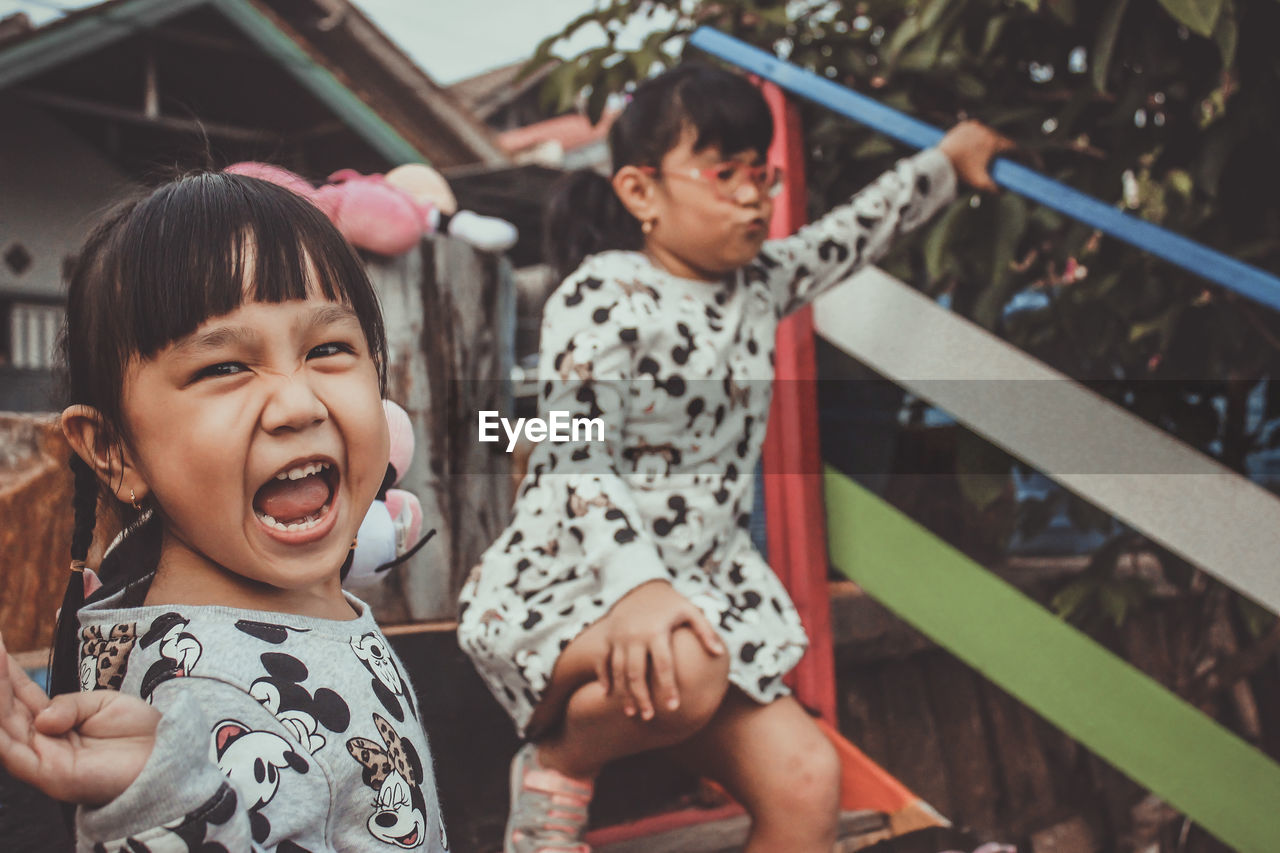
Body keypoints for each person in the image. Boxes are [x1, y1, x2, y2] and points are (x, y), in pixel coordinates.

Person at [456, 64, 1012, 853]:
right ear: (642, 193)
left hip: (702, 598)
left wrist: (945, 164)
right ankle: (557, 762)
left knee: (807, 780)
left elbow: (854, 233)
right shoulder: (604, 294)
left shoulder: (759, 284)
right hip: (583, 584)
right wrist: (639, 587)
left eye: (763, 173)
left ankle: (642, 677)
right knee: (684, 661)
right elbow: (571, 451)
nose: (754, 195)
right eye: (725, 174)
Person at [0, 173, 449, 852]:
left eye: (328, 349)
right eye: (223, 368)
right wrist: (164, 800)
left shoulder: (294, 603)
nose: (298, 404)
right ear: (115, 450)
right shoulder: (201, 698)